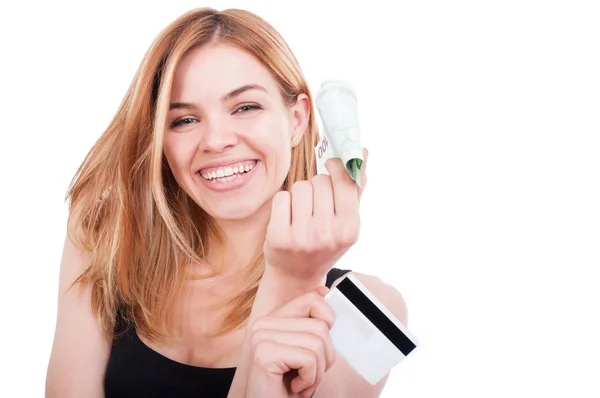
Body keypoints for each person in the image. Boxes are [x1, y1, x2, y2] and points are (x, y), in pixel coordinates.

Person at [45, 7, 408, 398]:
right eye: (183, 120)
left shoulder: (373, 316)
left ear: (298, 119)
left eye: (246, 107)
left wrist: (291, 280)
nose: (216, 140)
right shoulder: (103, 239)